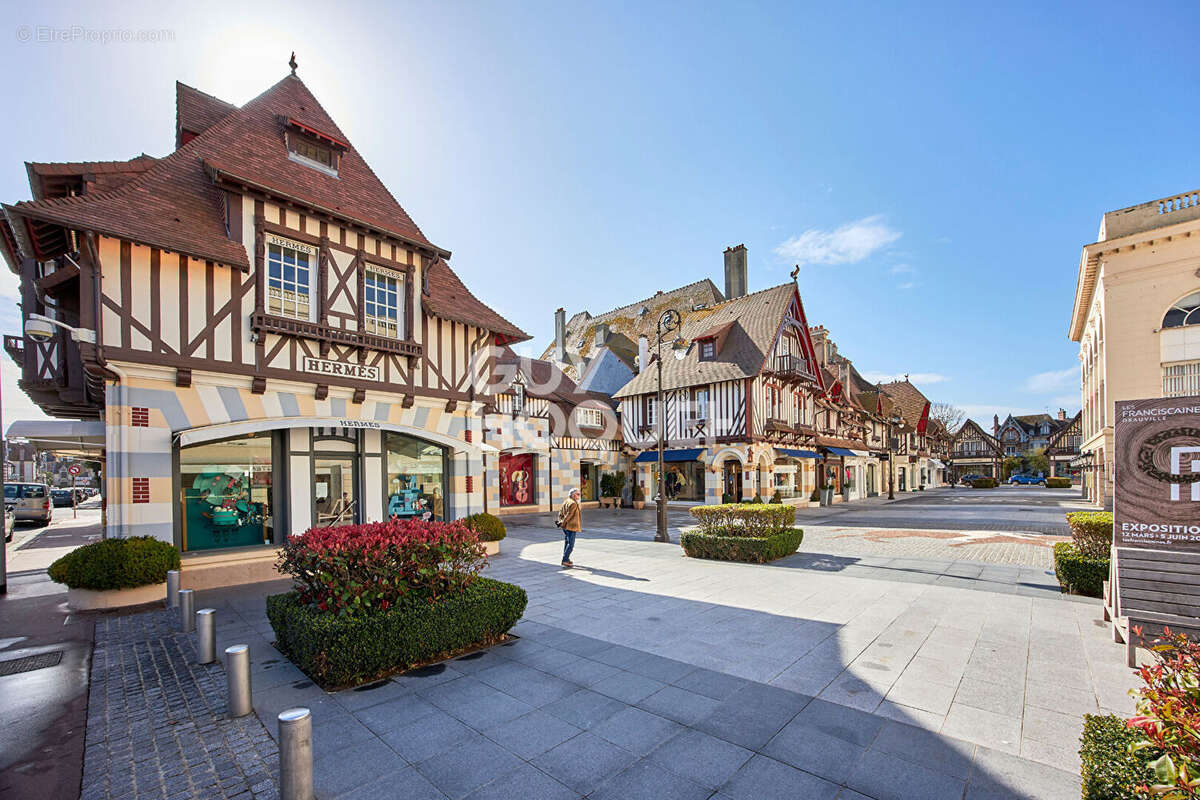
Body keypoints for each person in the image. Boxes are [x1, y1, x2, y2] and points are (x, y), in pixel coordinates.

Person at [556, 487, 582, 568]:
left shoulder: (567, 501)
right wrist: (563, 523)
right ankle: (565, 560)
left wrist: (560, 522)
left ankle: (566, 559)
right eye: (578, 494)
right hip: (571, 526)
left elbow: (560, 512)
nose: (579, 496)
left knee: (567, 543)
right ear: (573, 495)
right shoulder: (573, 503)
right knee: (571, 544)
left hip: (566, 526)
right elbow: (568, 516)